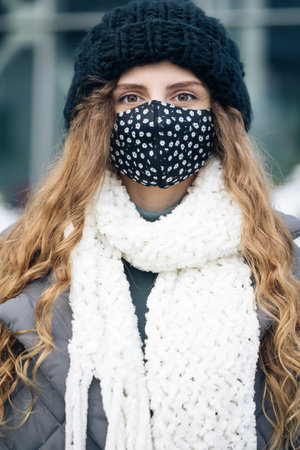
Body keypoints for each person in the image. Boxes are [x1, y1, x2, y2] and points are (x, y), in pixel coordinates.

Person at [0, 0, 299, 449]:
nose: (157, 115)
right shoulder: (21, 263)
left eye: (184, 96)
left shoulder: (282, 268)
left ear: (220, 118)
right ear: (98, 118)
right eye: (131, 97)